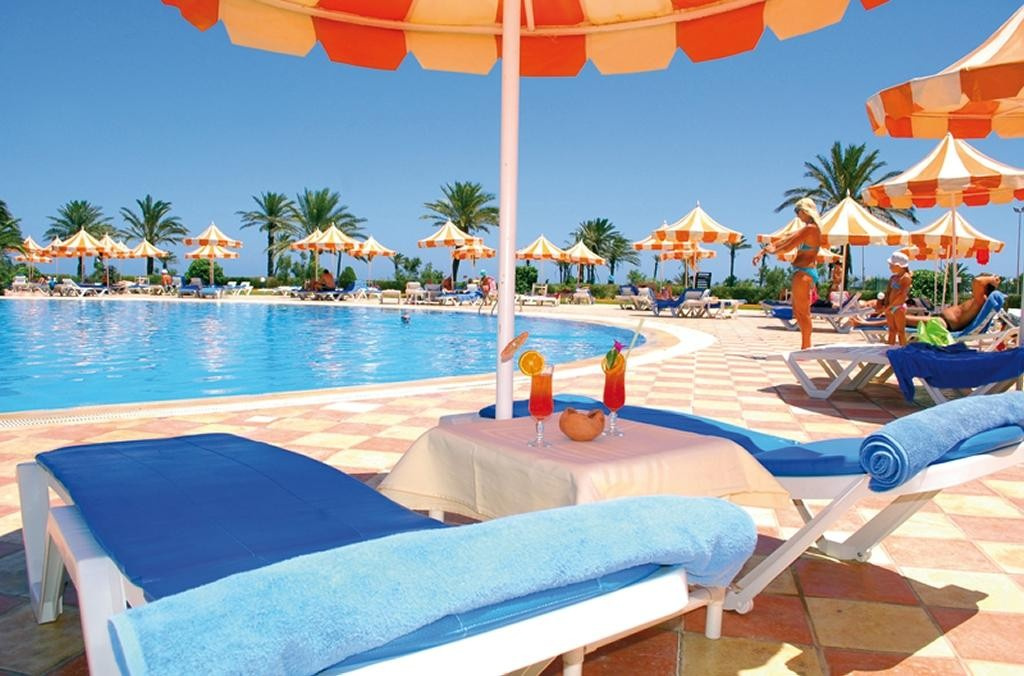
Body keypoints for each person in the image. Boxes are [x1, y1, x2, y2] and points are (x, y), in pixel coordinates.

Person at [753, 197, 822, 349]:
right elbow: (786, 239)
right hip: (802, 271)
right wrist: (763, 251)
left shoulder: (811, 229)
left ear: (805, 211)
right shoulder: (808, 228)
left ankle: (806, 347)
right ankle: (805, 346)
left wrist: (771, 251)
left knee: (803, 312)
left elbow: (788, 246)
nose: (797, 215)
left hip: (804, 272)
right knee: (798, 311)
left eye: (798, 211)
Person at [881, 251, 912, 345]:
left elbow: (902, 296)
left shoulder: (906, 278)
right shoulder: (893, 278)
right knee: (892, 330)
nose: (890, 267)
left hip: (898, 307)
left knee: (901, 332)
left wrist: (890, 307)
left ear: (899, 265)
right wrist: (885, 304)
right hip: (891, 306)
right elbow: (888, 292)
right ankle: (890, 349)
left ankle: (904, 350)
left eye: (891, 265)